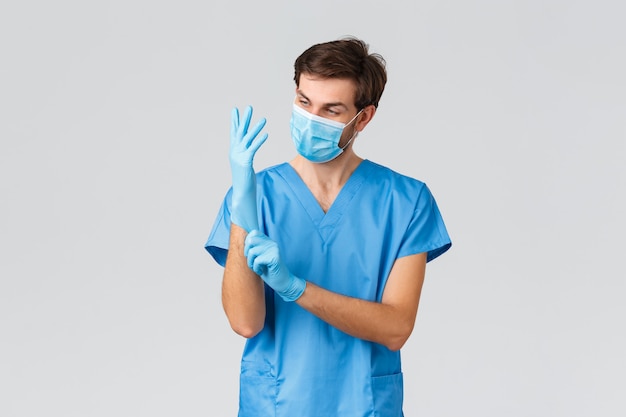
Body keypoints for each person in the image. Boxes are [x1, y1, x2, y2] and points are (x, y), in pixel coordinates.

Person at [204, 36, 452, 417]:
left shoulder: (405, 201)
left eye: (331, 110)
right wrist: (242, 202)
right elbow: (245, 323)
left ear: (363, 117)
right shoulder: (257, 196)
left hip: (364, 406)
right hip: (276, 406)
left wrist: (294, 287)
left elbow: (396, 327)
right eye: (304, 102)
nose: (310, 120)